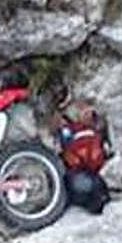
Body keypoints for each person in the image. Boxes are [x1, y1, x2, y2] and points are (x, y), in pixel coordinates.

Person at [50, 85, 112, 213]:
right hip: (81, 170)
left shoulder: (91, 125)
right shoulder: (67, 125)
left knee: (83, 184)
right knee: (83, 184)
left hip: (85, 170)